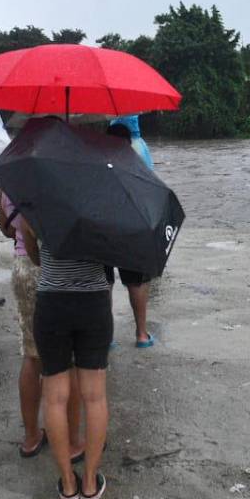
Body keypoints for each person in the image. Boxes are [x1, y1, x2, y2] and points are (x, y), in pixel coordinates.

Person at [21, 216, 111, 499]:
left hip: (52, 303)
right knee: (94, 397)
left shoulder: (39, 203)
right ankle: (90, 482)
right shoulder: (103, 205)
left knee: (55, 398)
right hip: (93, 301)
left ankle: (68, 484)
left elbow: (34, 255)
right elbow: (111, 254)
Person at [0, 191, 83, 458]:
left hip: (23, 267)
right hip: (58, 266)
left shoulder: (9, 181)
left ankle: (31, 437)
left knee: (32, 355)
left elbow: (8, 228)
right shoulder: (59, 181)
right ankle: (72, 440)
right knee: (68, 359)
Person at [105, 116, 156, 347]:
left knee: (105, 282)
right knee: (137, 282)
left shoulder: (97, 165)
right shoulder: (139, 161)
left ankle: (107, 337)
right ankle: (142, 335)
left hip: (103, 231)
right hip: (132, 230)